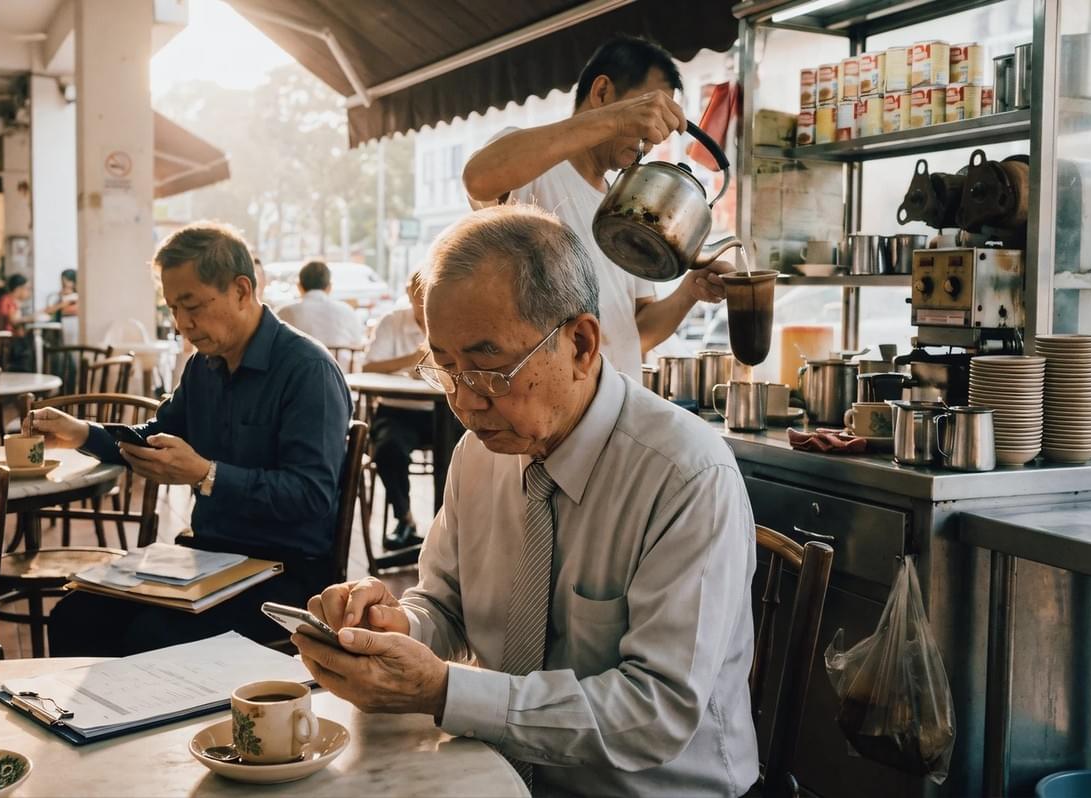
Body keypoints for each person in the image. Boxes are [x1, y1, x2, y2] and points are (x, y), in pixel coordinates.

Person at [295, 205, 759, 797]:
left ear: (582, 343)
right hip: (494, 775)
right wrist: (394, 625)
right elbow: (444, 604)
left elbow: (656, 712)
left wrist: (443, 691)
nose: (464, 402)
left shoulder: (683, 475)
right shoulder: (479, 454)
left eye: (489, 368)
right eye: (445, 367)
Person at [29, 222, 353, 656]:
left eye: (192, 305)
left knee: (151, 636)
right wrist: (81, 432)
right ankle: (95, 725)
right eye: (173, 310)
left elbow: (311, 496)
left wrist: (208, 475)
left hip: (287, 573)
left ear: (241, 290)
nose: (182, 324)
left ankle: (144, 724)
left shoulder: (307, 371)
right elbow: (153, 439)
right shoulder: (205, 366)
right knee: (74, 615)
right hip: (209, 560)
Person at [462, 34, 733, 379]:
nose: (652, 136)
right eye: (647, 113)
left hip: (614, 406)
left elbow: (635, 333)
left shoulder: (628, 207)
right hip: (545, 409)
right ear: (602, 92)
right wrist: (616, 120)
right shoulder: (536, 166)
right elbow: (479, 177)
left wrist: (689, 291)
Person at [361, 270, 431, 550]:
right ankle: (405, 518)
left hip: (444, 410)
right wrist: (410, 360)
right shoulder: (392, 321)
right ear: (408, 291)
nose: (424, 299)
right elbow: (369, 367)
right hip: (398, 409)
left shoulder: (450, 320)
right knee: (387, 448)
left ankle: (451, 527)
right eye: (418, 292)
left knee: (468, 449)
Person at [276, 260, 364, 354]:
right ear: (329, 287)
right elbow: (358, 343)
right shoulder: (347, 311)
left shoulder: (285, 312)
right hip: (341, 368)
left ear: (299, 286)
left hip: (300, 368)